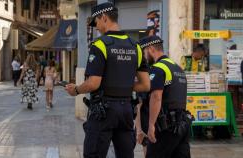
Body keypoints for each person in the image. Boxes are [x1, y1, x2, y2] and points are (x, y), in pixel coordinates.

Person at [65, 2, 150, 158]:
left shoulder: (100, 45)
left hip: (103, 111)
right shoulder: (135, 46)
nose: (96, 27)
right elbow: (145, 85)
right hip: (126, 111)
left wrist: (76, 90)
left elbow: (93, 83)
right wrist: (122, 86)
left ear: (104, 17)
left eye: (96, 22)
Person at [139, 35, 192, 158]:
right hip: (182, 125)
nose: (143, 58)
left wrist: (151, 125)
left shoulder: (158, 69)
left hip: (165, 128)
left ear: (151, 49)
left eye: (143, 52)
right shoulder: (177, 68)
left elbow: (156, 96)